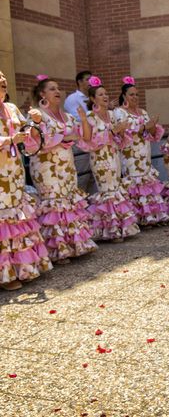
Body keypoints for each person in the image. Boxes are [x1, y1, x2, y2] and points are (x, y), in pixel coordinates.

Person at [30, 76, 98, 262]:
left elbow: (84, 136)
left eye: (58, 88)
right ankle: (55, 250)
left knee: (67, 200)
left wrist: (83, 119)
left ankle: (73, 245)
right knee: (54, 203)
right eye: (52, 89)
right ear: (42, 94)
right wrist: (65, 137)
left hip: (66, 165)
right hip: (46, 167)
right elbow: (35, 141)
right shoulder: (37, 115)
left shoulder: (67, 117)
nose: (57, 91)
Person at [0, 71, 52, 290]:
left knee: (16, 219)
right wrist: (9, 140)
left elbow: (26, 133)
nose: (3, 84)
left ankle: (21, 268)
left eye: (4, 82)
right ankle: (6, 275)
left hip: (15, 170)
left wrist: (35, 121)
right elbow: (12, 137)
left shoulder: (11, 108)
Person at [76, 76, 140, 241]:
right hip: (100, 159)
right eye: (100, 94)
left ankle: (120, 227)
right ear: (92, 99)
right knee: (107, 190)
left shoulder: (112, 114)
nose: (105, 97)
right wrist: (113, 131)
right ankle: (110, 230)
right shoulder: (90, 116)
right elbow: (90, 140)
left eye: (105, 94)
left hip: (114, 155)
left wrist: (121, 130)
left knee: (116, 187)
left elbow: (119, 139)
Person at [113, 76, 169, 226]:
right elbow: (124, 131)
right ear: (124, 96)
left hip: (144, 152)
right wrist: (145, 127)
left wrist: (152, 127)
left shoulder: (143, 112)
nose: (135, 97)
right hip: (130, 154)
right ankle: (135, 218)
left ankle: (151, 216)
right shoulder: (120, 112)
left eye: (137, 94)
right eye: (131, 94)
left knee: (146, 182)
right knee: (134, 182)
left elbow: (150, 134)